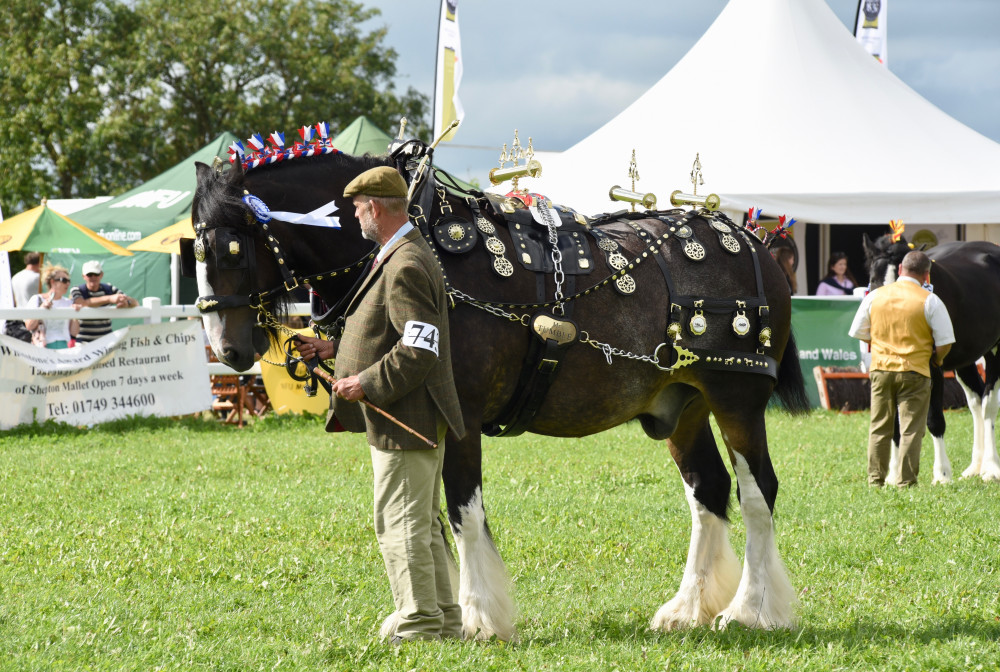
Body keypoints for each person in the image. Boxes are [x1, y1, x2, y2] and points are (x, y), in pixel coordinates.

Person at [295, 166, 465, 643]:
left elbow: (418, 348)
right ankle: (443, 617)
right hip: (411, 414)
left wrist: (365, 383)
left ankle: (418, 622)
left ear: (375, 207)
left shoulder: (406, 262)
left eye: (357, 208)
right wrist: (334, 350)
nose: (354, 216)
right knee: (422, 522)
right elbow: (390, 329)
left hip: (406, 415)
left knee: (400, 522)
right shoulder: (400, 254)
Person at [848, 250, 954, 487]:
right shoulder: (930, 300)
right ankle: (906, 482)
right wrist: (936, 358)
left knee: (879, 427)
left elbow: (858, 332)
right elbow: (946, 341)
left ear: (900, 269)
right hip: (915, 371)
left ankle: (875, 480)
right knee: (911, 430)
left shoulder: (875, 296)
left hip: (881, 370)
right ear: (926, 275)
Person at [70, 260, 138, 344]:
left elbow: (135, 303)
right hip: (83, 343)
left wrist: (126, 303)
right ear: (84, 276)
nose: (93, 277)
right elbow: (81, 303)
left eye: (96, 274)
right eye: (89, 275)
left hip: (107, 341)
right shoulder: (77, 289)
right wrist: (109, 299)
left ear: (101, 275)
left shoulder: (109, 289)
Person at [24, 265, 79, 349]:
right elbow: (29, 326)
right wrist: (41, 309)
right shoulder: (37, 299)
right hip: (42, 346)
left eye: (68, 281)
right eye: (63, 280)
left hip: (65, 347)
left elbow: (74, 332)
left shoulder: (69, 302)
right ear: (52, 282)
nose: (67, 283)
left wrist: (76, 314)